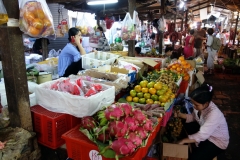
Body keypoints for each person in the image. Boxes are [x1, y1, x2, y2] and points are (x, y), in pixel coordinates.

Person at [175, 84, 229, 160]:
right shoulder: (199, 107)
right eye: (193, 103)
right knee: (186, 124)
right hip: (206, 133)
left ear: (206, 103)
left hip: (216, 142)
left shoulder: (214, 114)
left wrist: (183, 140)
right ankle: (197, 144)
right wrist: (180, 115)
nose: (194, 106)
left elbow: (202, 135)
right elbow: (194, 117)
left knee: (194, 158)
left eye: (196, 105)